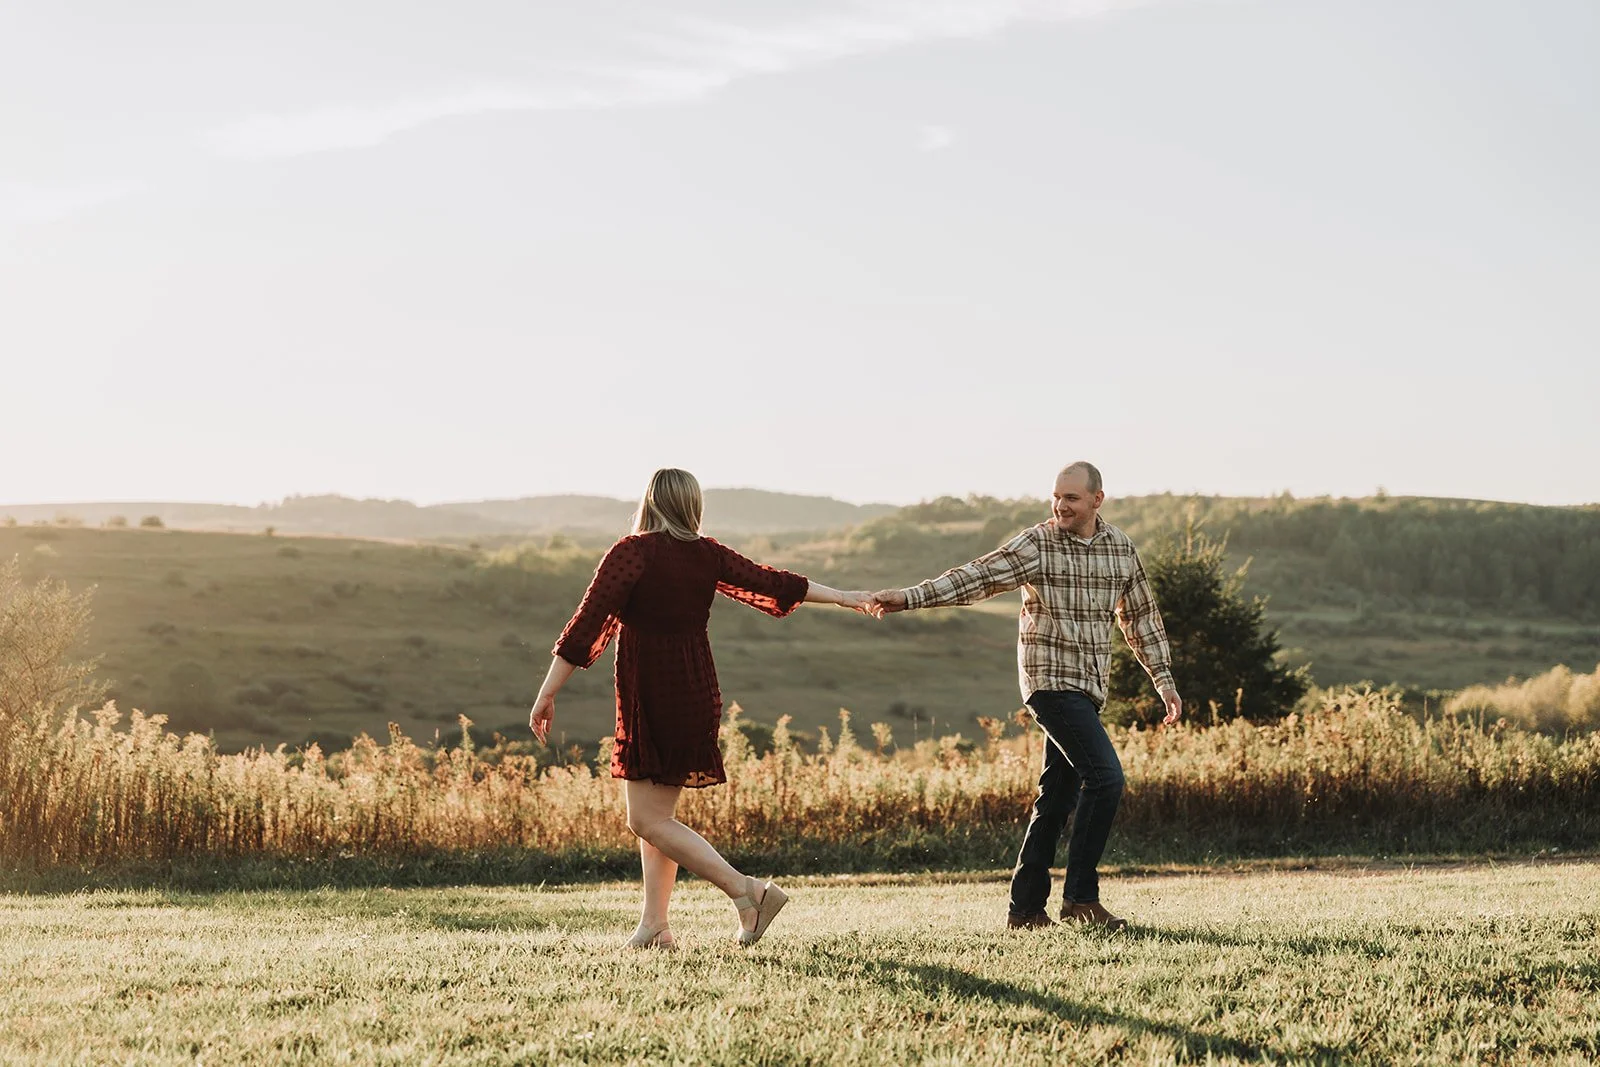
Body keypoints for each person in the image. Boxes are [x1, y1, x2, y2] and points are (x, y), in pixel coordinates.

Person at [529, 468, 876, 949]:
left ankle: (748, 892)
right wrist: (843, 596)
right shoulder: (706, 554)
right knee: (657, 817)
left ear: (649, 501)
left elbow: (586, 625)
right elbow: (773, 582)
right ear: (693, 505)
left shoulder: (631, 553)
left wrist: (547, 693)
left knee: (645, 820)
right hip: (694, 691)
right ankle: (655, 926)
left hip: (653, 693)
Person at [870, 462, 1181, 931]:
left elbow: (1140, 617)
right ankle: (1081, 900)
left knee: (1055, 800)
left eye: (1072, 498)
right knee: (1106, 778)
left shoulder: (1120, 549)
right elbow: (976, 577)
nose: (1061, 506)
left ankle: (1025, 910)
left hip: (1089, 686)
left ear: (1098, 499)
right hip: (1049, 682)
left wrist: (1163, 679)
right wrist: (910, 597)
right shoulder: (1037, 542)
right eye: (1056, 496)